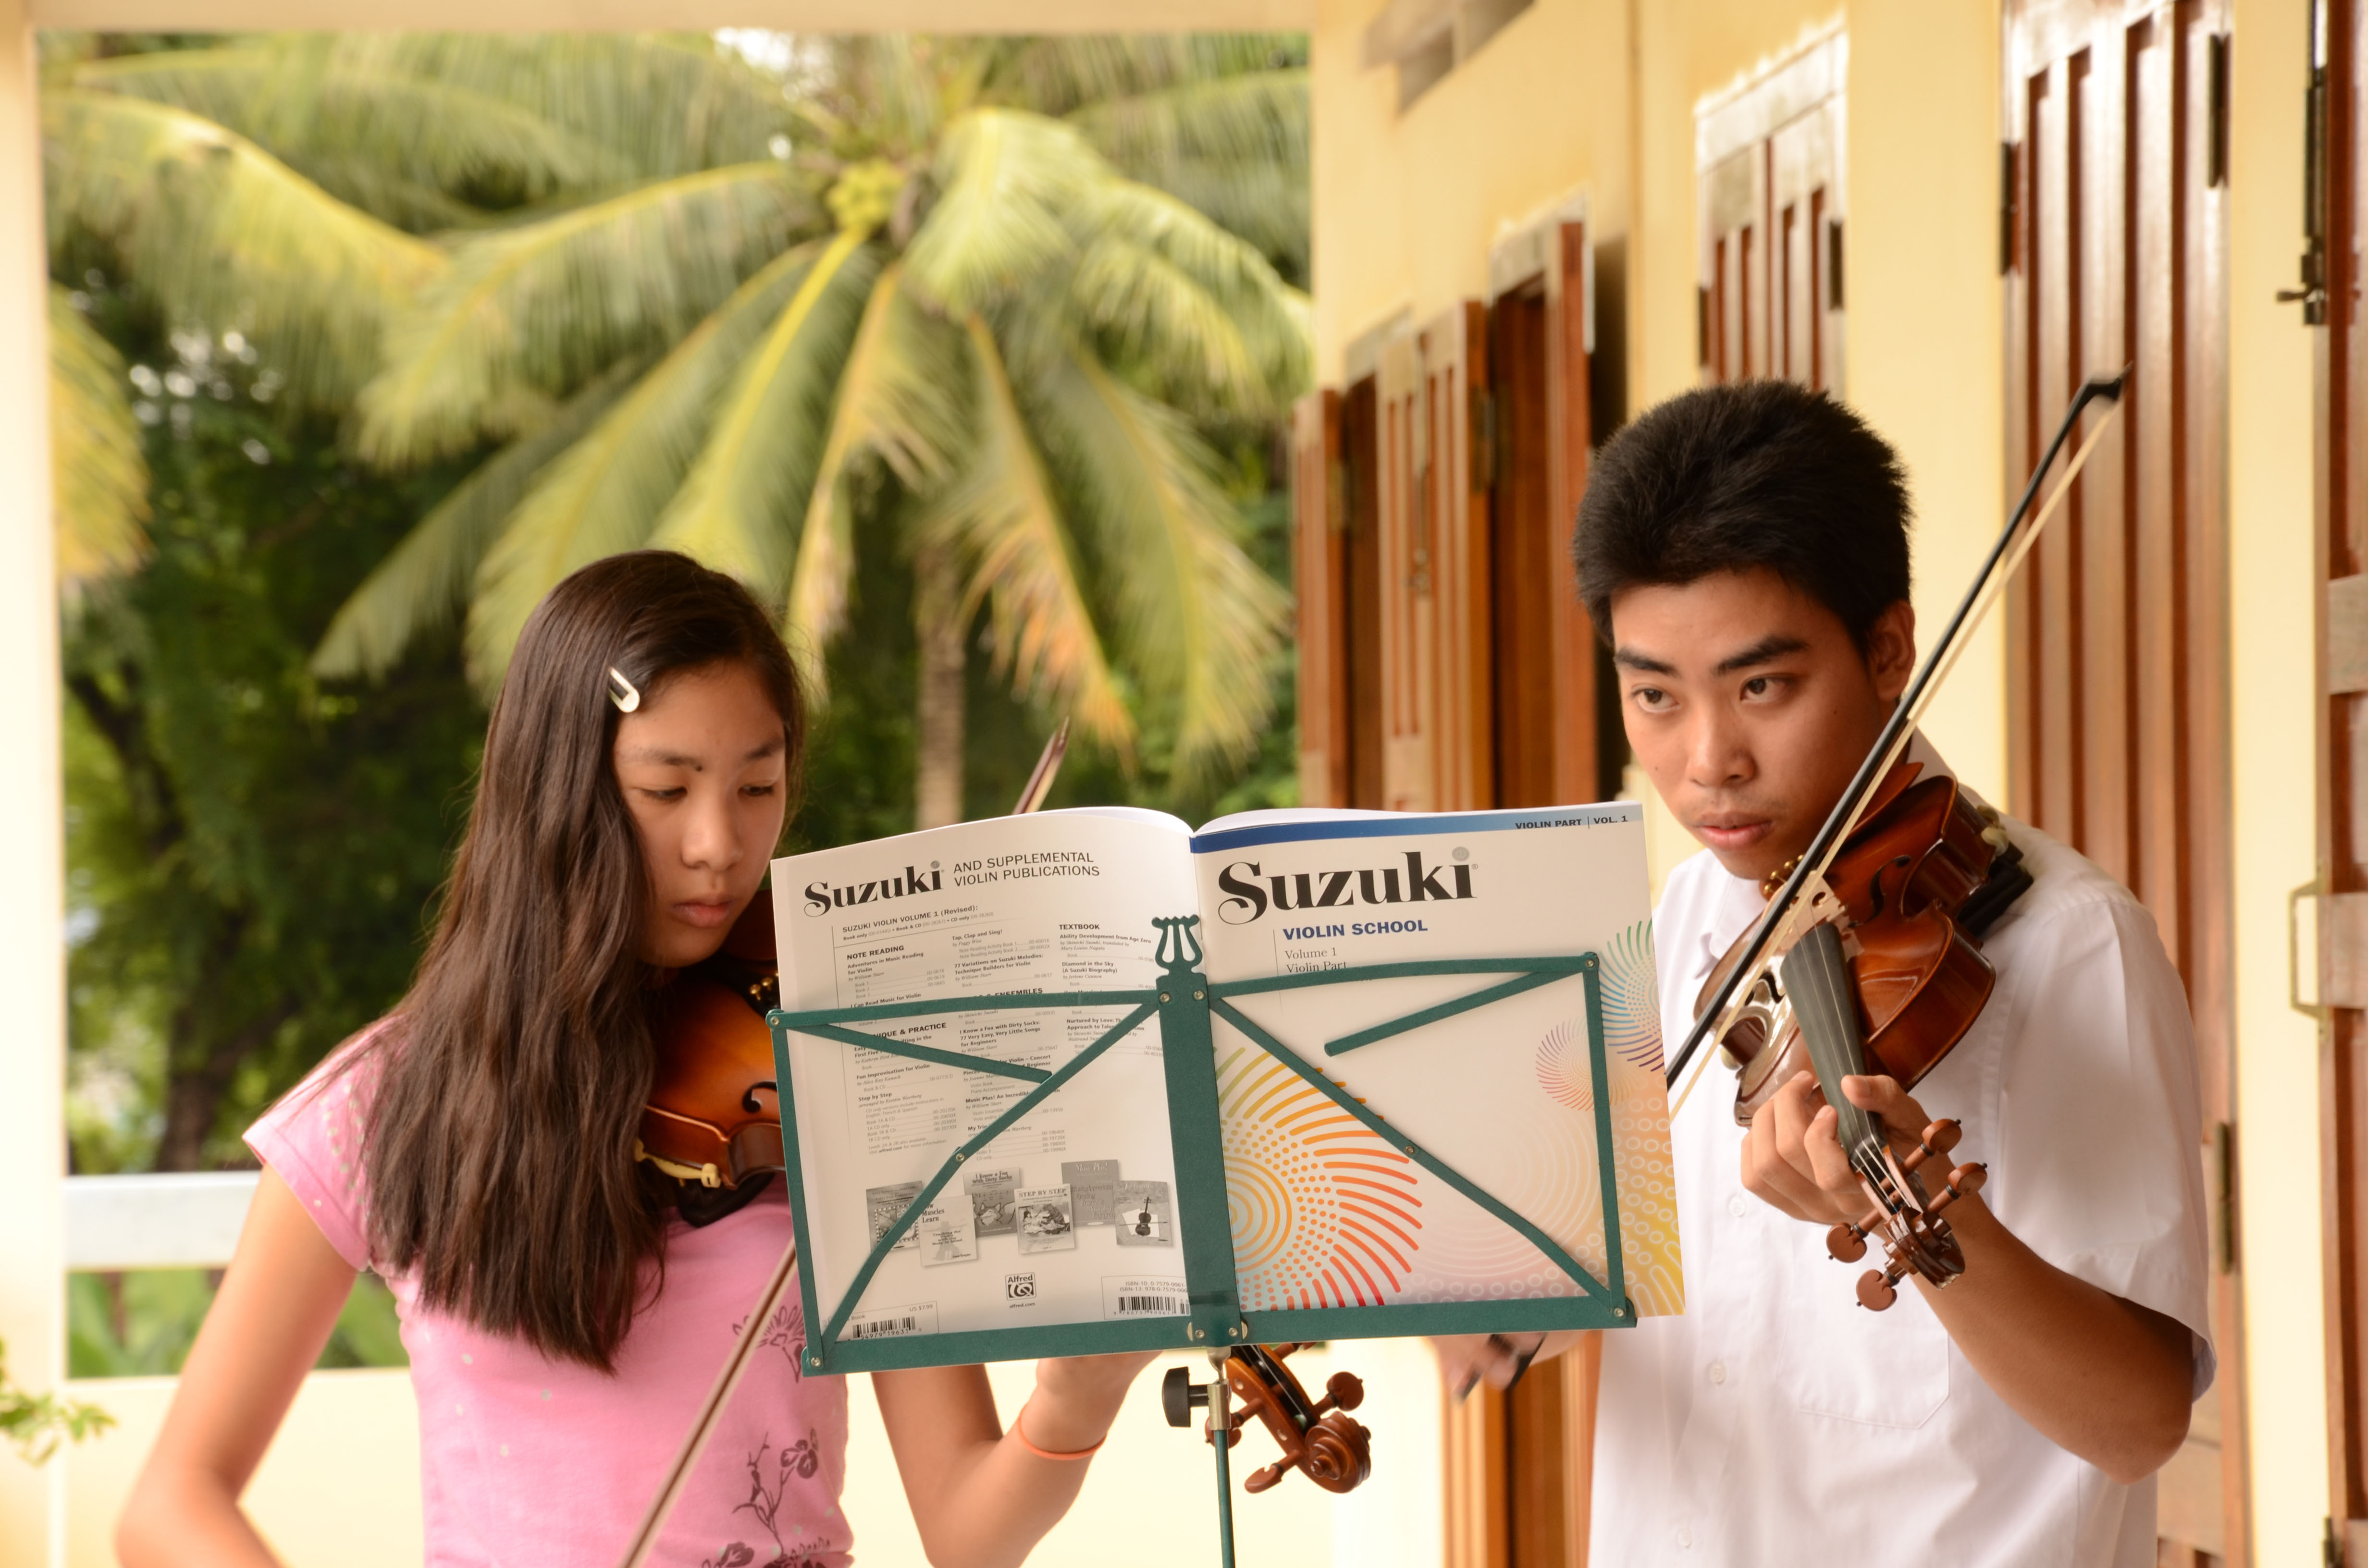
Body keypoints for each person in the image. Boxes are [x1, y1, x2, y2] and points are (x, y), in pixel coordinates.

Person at [118, 551, 1154, 1568]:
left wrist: (1071, 1404)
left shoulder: (843, 1069)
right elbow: (169, 1508)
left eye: (758, 785)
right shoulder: (385, 1103)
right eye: (666, 790)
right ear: (559, 794)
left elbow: (968, 1538)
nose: (719, 844)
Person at [1440, 382, 2211, 1566]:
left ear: (1889, 648)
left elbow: (2136, 1422)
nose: (1708, 764)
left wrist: (1913, 1220)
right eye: (1653, 695)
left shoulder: (2067, 944)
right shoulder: (1691, 907)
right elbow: (1638, 1274)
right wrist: (1502, 1307)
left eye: (1761, 687)